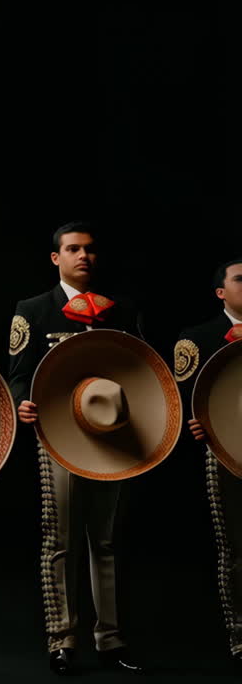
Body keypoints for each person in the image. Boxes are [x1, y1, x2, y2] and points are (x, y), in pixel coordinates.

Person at [8, 221, 145, 675]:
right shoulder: (33, 310)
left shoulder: (121, 310)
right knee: (61, 539)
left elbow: (140, 369)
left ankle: (110, 638)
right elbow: (18, 371)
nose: (82, 256)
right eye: (72, 249)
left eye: (88, 249)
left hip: (112, 437)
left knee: (105, 539)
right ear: (56, 258)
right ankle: (62, 638)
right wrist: (20, 402)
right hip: (58, 436)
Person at [173, 257, 242, 665]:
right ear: (221, 292)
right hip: (226, 453)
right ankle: (239, 635)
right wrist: (194, 425)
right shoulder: (197, 337)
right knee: (235, 547)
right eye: (240, 279)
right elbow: (183, 403)